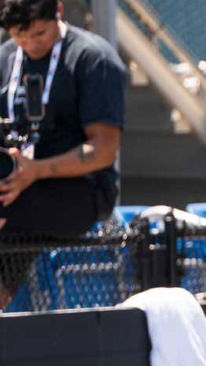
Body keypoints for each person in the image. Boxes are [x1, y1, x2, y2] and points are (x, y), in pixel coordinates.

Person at [0, 0, 125, 307]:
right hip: (17, 182)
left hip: (80, 189)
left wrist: (37, 169)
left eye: (40, 33)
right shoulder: (5, 57)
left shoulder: (92, 58)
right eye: (19, 36)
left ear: (58, 10)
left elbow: (103, 151)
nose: (30, 44)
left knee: (9, 213)